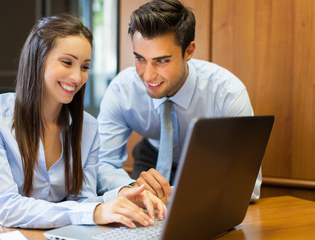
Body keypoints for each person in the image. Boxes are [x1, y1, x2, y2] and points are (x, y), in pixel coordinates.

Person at [0, 14, 165, 229]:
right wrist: (96, 211)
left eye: (85, 66)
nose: (77, 77)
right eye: (67, 62)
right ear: (37, 59)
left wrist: (121, 196)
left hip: (54, 227)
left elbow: (82, 202)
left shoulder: (88, 127)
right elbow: (4, 206)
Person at [97, 0, 262, 204]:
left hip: (208, 165)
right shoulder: (122, 90)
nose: (147, 75)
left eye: (162, 60)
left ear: (189, 51)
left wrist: (174, 195)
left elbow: (249, 186)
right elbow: (101, 163)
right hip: (152, 158)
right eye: (140, 58)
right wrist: (129, 188)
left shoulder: (227, 93)